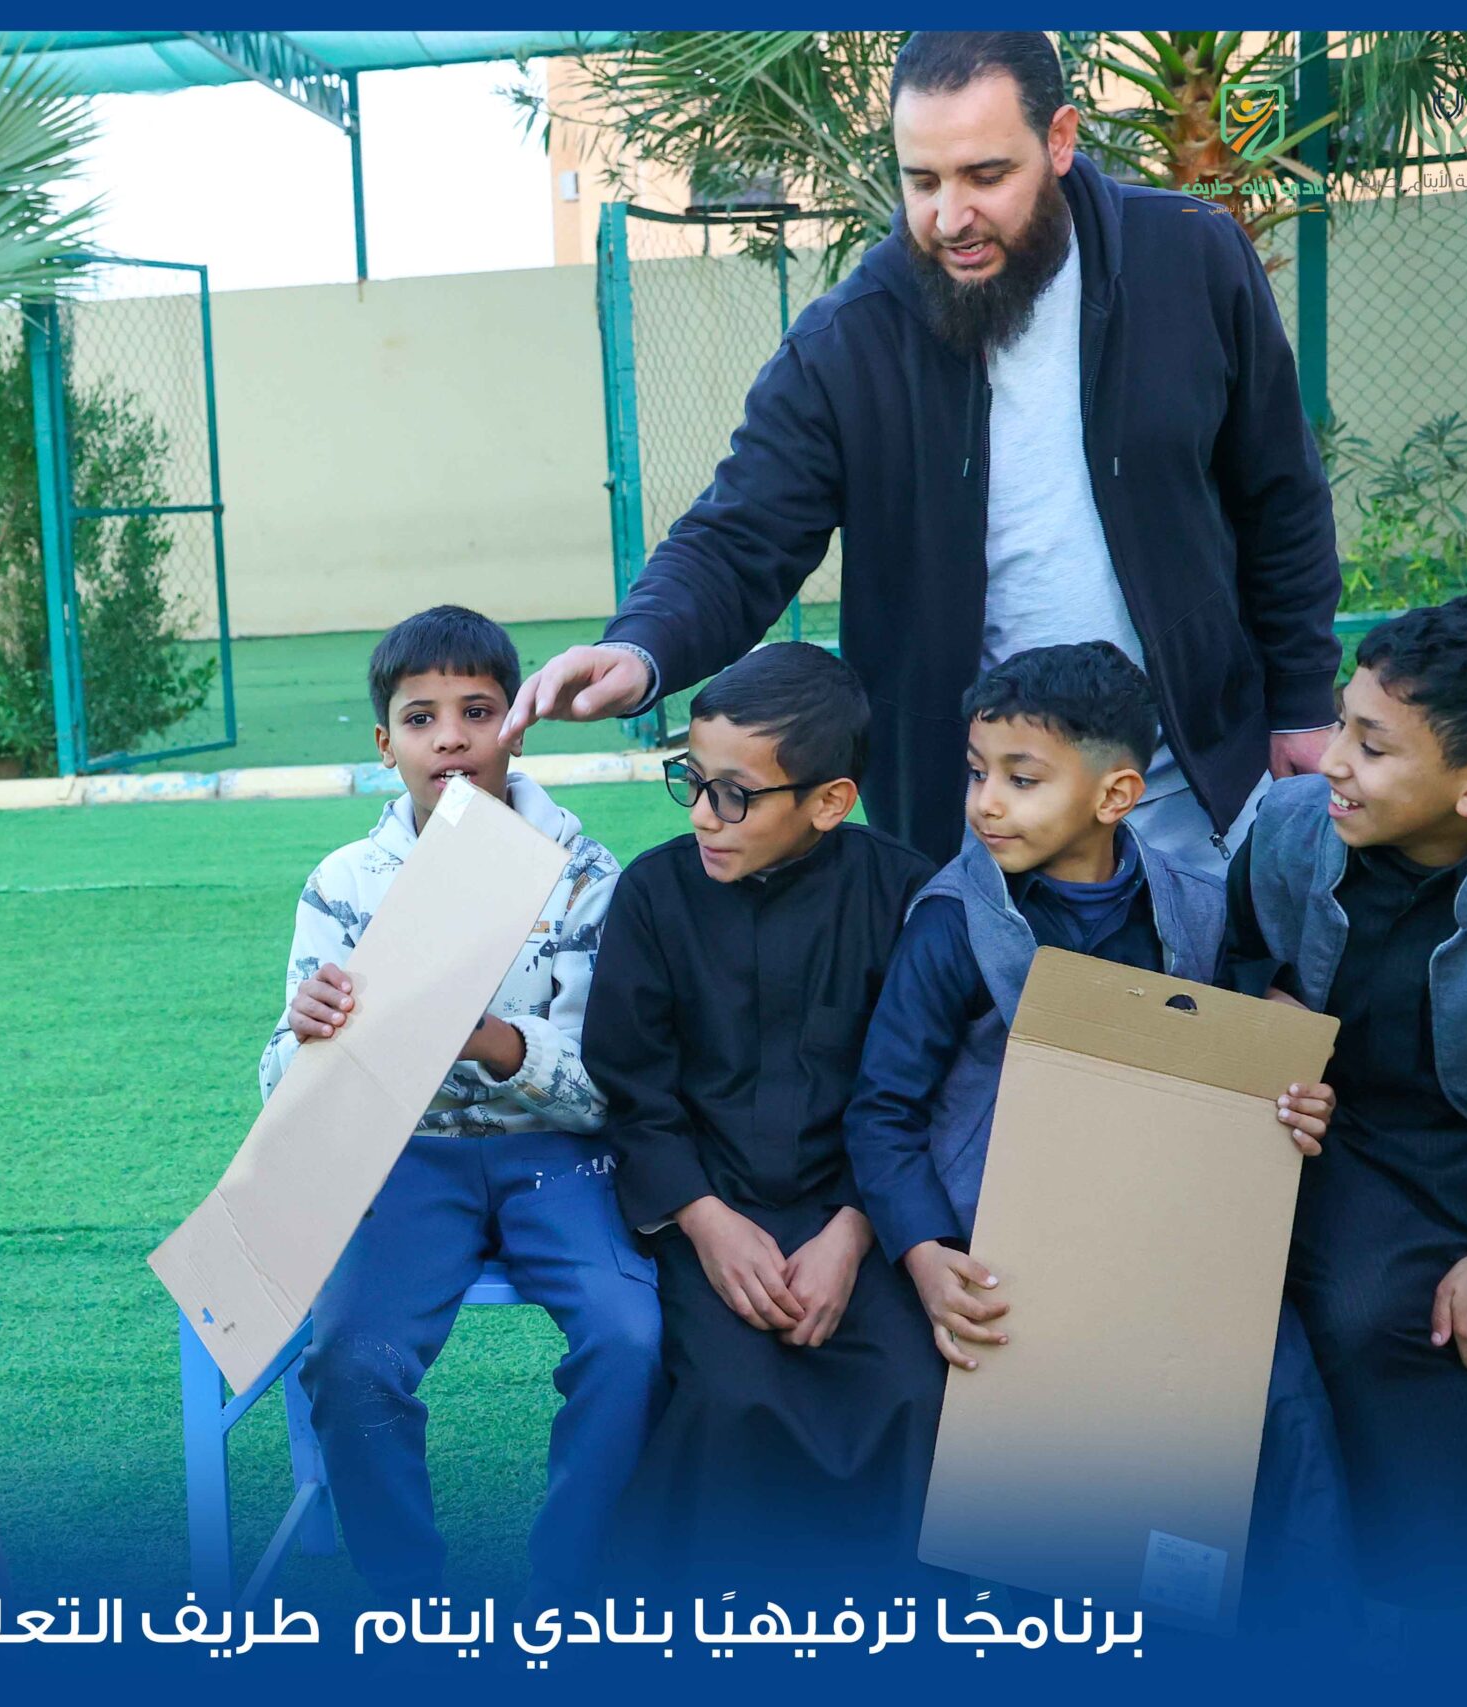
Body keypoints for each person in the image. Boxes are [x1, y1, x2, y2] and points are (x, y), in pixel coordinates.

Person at [501, 30, 1342, 870]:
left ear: (1059, 141)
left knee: (1215, 963)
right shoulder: (847, 342)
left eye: (986, 176)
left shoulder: (1192, 256)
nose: (950, 217)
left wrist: (1302, 704)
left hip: (1193, 789)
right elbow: (740, 534)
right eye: (923, 180)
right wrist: (639, 646)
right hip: (974, 826)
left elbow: (1281, 495)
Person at [842, 640, 1353, 1630]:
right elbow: (883, 1110)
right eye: (977, 773)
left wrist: (1292, 1102)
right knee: (1034, 1435)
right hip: (1002, 1242)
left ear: (1116, 795)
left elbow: (1240, 1072)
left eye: (1021, 778)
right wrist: (926, 1256)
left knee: (1276, 1390)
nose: (985, 803)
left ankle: (1311, 1644)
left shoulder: (1197, 909)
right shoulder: (951, 923)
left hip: (1168, 1231)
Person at [262, 605, 657, 1605]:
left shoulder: (583, 874)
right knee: (349, 1360)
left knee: (630, 1337)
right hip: (403, 1156)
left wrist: (495, 1042)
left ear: (516, 726)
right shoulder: (345, 884)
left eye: (478, 711)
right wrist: (306, 1034)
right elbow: (284, 1088)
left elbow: (608, 1082)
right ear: (383, 743)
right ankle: (409, 1601)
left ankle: (568, 1580)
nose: (450, 738)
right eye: (420, 717)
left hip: (558, 1158)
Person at [1227, 598, 1467, 1619]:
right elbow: (1238, 955)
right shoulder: (1288, 829)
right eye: (1341, 723)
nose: (1331, 761)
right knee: (1378, 1314)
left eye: (1372, 744)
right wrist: (1271, 1015)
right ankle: (1435, 1601)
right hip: (1345, 1139)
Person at [582, 642, 941, 1596]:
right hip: (706, 1203)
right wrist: (705, 1221)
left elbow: (923, 1090)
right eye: (692, 781)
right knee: (729, 1398)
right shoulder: (654, 894)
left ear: (830, 802)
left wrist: (853, 1234)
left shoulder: (907, 894)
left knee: (914, 1392)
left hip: (864, 1209)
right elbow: (634, 1089)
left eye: (735, 795)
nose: (703, 813)